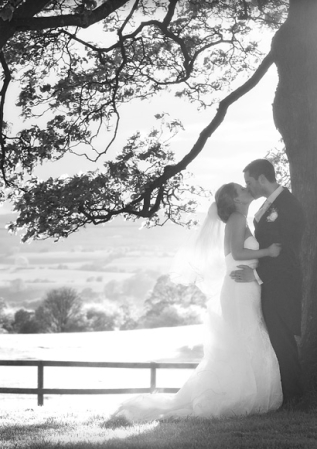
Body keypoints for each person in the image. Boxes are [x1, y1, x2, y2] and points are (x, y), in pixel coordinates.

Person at [110, 182, 283, 423]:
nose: (246, 189)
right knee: (246, 337)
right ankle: (236, 395)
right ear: (235, 200)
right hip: (240, 287)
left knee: (246, 338)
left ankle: (246, 392)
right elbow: (236, 254)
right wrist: (268, 252)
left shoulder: (239, 218)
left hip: (245, 284)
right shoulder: (236, 218)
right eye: (241, 190)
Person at [230, 159, 305, 406]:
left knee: (284, 340)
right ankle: (285, 394)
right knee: (276, 340)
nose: (247, 187)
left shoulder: (289, 205)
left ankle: (294, 397)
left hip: (281, 283)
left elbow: (289, 252)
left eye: (249, 182)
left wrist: (259, 276)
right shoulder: (266, 205)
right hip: (268, 284)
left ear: (262, 179)